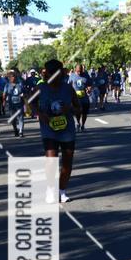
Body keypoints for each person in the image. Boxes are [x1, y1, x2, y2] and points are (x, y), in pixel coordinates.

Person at [37, 59, 80, 203]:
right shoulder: (41, 88)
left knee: (67, 161)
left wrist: (70, 109)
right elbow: (29, 101)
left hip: (67, 130)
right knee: (51, 160)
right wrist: (40, 114)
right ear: (47, 74)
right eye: (51, 73)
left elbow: (79, 108)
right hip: (49, 129)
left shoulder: (68, 89)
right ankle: (50, 189)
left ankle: (62, 191)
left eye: (58, 73)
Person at [68, 63, 92, 131]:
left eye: (81, 71)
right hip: (75, 98)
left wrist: (89, 88)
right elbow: (68, 85)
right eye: (78, 71)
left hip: (84, 97)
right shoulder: (72, 76)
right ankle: (78, 122)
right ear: (75, 69)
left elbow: (90, 84)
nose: (79, 72)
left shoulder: (86, 75)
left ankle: (83, 125)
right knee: (77, 112)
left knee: (85, 112)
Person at [5, 71, 25, 137]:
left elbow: (24, 92)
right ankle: (15, 129)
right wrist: (4, 101)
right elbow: (5, 93)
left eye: (13, 76)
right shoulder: (7, 85)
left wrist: (23, 96)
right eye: (10, 77)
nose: (12, 78)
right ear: (9, 78)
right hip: (11, 105)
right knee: (13, 119)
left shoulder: (20, 84)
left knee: (20, 118)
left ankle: (21, 131)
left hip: (19, 104)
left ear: (15, 77)